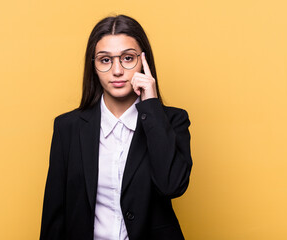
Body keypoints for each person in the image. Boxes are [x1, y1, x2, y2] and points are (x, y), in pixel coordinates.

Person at [40, 14, 193, 240]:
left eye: (128, 58)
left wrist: (151, 105)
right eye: (105, 60)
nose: (117, 70)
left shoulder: (172, 121)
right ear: (93, 66)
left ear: (144, 61)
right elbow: (54, 213)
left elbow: (172, 185)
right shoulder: (68, 128)